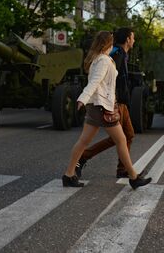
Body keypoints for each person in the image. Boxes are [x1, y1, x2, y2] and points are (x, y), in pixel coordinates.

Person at [62, 31, 151, 190]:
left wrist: (85, 99)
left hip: (97, 106)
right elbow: (94, 82)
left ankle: (68, 175)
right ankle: (133, 177)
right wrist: (83, 97)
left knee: (84, 141)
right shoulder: (103, 61)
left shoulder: (98, 59)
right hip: (103, 107)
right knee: (121, 140)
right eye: (112, 43)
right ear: (107, 44)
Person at [76, 28, 137, 179]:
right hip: (114, 102)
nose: (134, 40)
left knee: (127, 135)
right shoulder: (115, 55)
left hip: (121, 101)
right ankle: (84, 157)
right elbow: (103, 79)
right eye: (133, 37)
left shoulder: (122, 54)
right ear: (128, 39)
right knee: (120, 137)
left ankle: (123, 169)